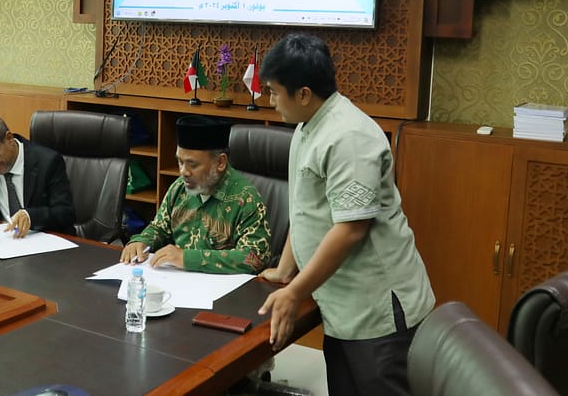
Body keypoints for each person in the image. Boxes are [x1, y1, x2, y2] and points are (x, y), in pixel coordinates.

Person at [256, 34, 434, 396]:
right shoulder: (307, 127)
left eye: (274, 92)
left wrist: (294, 292)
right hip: (340, 305)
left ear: (304, 94)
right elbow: (305, 209)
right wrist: (286, 269)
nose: (270, 101)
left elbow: (351, 229)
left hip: (376, 311)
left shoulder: (349, 137)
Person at [119, 115, 271, 275]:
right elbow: (160, 228)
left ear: (220, 163)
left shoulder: (246, 198)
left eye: (192, 164)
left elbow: (254, 257)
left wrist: (187, 258)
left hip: (223, 286)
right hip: (180, 281)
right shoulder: (179, 188)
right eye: (180, 162)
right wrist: (141, 241)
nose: (183, 172)